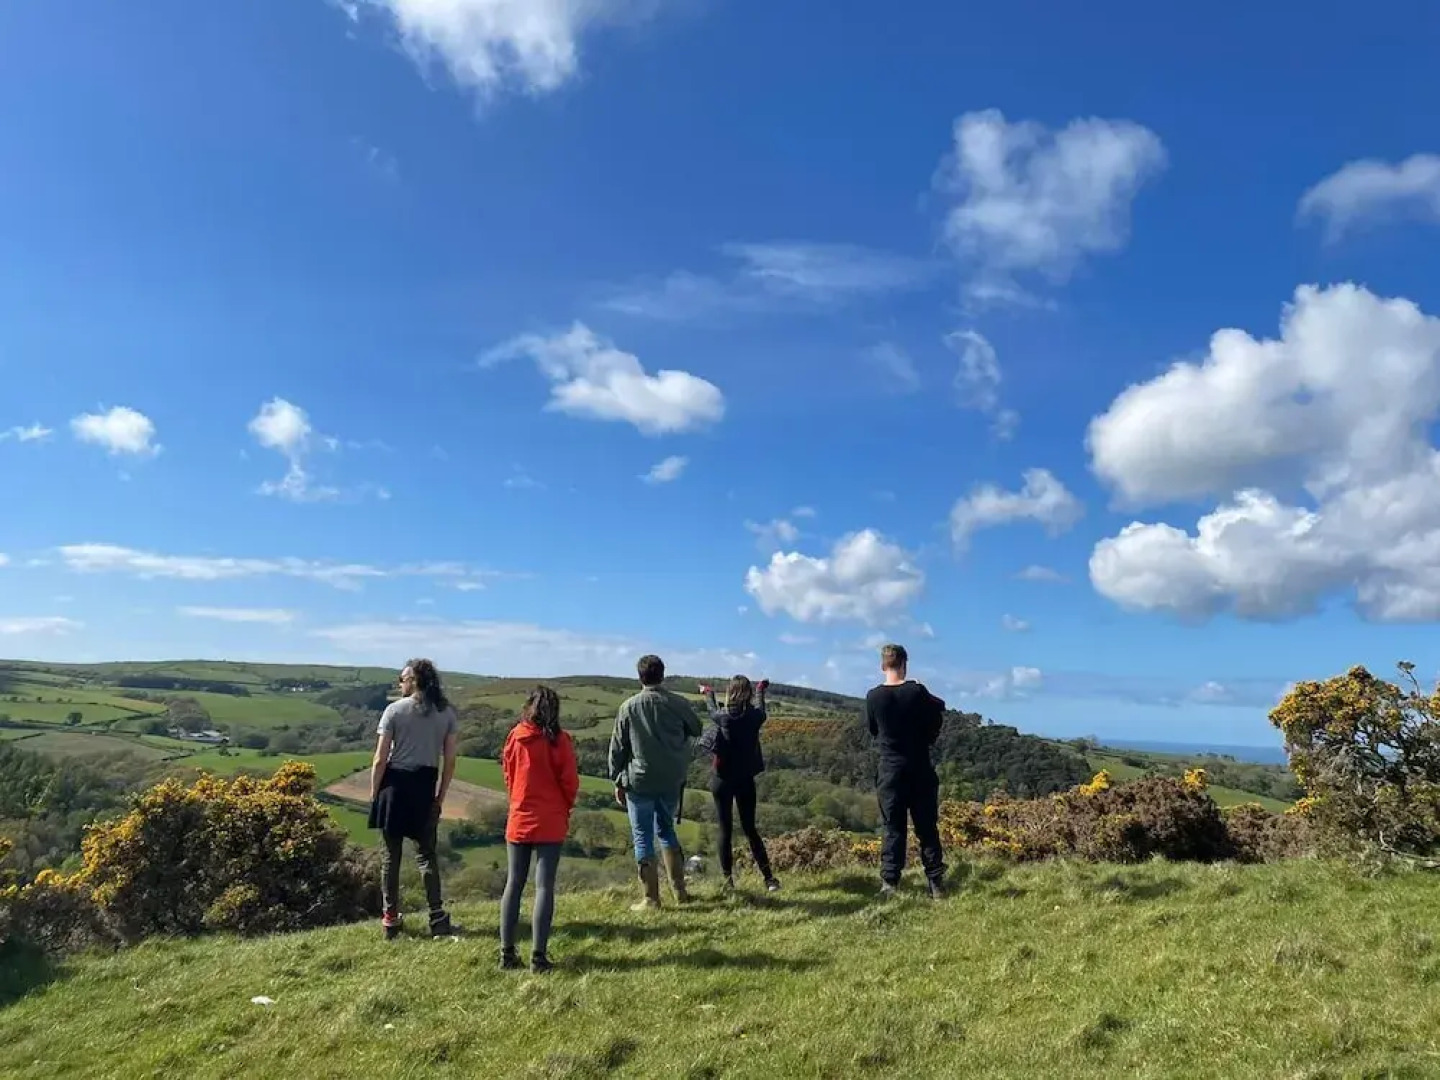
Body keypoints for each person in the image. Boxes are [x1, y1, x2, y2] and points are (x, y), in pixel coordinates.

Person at [368, 658, 459, 939]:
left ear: (414, 680)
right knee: (426, 856)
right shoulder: (446, 713)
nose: (400, 683)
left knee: (390, 857)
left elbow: (381, 758)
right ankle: (437, 917)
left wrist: (374, 794)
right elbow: (451, 760)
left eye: (403, 678)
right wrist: (440, 797)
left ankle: (390, 920)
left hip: (394, 785)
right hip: (424, 786)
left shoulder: (393, 710)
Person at [608, 653, 702, 910]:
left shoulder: (628, 707)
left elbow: (617, 748)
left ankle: (651, 898)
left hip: (639, 780)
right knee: (667, 831)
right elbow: (697, 728)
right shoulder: (679, 703)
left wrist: (617, 779)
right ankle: (680, 891)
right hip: (671, 778)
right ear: (663, 674)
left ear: (640, 676)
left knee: (642, 837)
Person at [500, 685, 579, 974]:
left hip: (520, 816)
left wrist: (517, 799)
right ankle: (538, 957)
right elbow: (569, 781)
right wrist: (565, 806)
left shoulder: (515, 737)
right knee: (544, 886)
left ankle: (507, 954)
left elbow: (508, 773)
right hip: (551, 818)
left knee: (514, 883)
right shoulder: (560, 741)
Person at [864, 643, 947, 899]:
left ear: (882, 665)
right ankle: (935, 883)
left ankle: (890, 883)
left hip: (890, 770)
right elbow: (939, 708)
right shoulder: (917, 691)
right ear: (904, 664)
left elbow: (873, 730)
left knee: (893, 827)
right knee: (926, 827)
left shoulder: (873, 696)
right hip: (919, 767)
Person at [698, 675, 780, 894]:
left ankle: (728, 883)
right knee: (750, 829)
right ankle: (769, 878)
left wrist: (708, 692)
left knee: (725, 830)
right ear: (749, 694)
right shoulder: (755, 717)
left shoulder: (724, 717)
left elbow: (711, 709)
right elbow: (761, 708)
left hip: (722, 779)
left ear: (730, 693)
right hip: (745, 779)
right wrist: (761, 689)